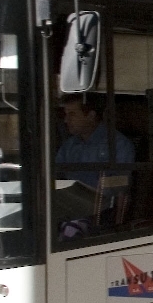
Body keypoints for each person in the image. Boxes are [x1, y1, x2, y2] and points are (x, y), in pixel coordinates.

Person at [55, 93, 135, 235]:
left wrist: (117, 226)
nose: (66, 120)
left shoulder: (118, 145)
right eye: (66, 114)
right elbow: (56, 175)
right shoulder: (69, 146)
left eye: (72, 114)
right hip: (66, 207)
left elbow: (122, 187)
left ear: (91, 116)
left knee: (70, 232)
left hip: (101, 213)